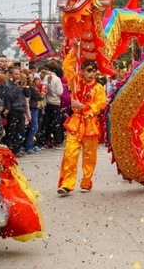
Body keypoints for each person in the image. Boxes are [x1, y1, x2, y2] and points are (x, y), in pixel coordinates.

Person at [57, 43, 107, 195]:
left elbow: (100, 105)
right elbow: (67, 66)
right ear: (83, 71)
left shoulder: (98, 88)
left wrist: (83, 106)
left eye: (94, 71)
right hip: (76, 122)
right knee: (70, 153)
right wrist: (74, 49)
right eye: (89, 71)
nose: (92, 74)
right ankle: (67, 184)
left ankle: (86, 181)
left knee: (89, 156)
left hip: (91, 124)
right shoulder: (76, 83)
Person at [2, 68, 30, 157]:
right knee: (12, 131)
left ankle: (17, 148)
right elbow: (11, 98)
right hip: (13, 110)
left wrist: (25, 87)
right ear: (10, 75)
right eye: (16, 74)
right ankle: (10, 149)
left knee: (20, 131)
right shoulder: (8, 85)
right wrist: (17, 88)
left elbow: (28, 94)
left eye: (19, 74)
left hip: (21, 110)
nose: (18, 76)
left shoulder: (20, 84)